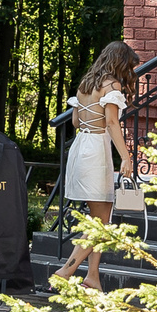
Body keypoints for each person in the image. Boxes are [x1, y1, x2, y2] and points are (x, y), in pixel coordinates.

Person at [50, 39, 137, 291]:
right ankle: (66, 270)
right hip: (97, 151)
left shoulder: (86, 84)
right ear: (120, 62)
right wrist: (126, 157)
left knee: (99, 219)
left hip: (80, 147)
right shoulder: (112, 85)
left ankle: (93, 278)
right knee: (100, 223)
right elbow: (111, 123)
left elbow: (76, 122)